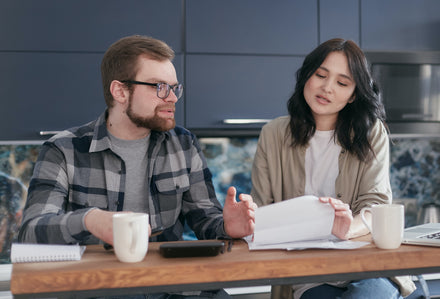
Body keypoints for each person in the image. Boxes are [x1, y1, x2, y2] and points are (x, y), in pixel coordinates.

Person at [18, 35, 256, 299]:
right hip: (100, 288)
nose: (173, 99)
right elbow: (31, 232)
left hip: (174, 287)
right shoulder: (63, 149)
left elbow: (204, 219)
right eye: (159, 87)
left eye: (175, 88)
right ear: (120, 91)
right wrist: (91, 220)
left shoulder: (183, 143)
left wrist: (227, 226)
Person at [250, 38, 416, 299]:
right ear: (307, 76)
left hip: (366, 265)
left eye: (342, 83)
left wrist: (346, 229)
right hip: (307, 273)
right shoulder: (273, 134)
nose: (327, 88)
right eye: (320, 75)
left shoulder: (371, 133)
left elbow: (376, 205)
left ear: (353, 95)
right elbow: (261, 210)